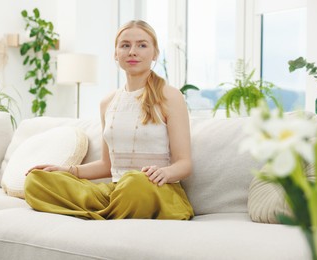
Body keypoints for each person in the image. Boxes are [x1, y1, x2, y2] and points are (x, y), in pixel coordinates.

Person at [24, 20, 194, 220]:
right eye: (125, 45)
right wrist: (67, 171)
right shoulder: (108, 103)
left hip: (155, 190)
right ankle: (111, 212)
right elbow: (107, 165)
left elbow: (185, 164)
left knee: (134, 182)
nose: (132, 51)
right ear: (116, 53)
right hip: (116, 191)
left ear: (155, 53)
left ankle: (101, 215)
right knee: (36, 181)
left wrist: (165, 173)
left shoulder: (171, 96)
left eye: (142, 45)